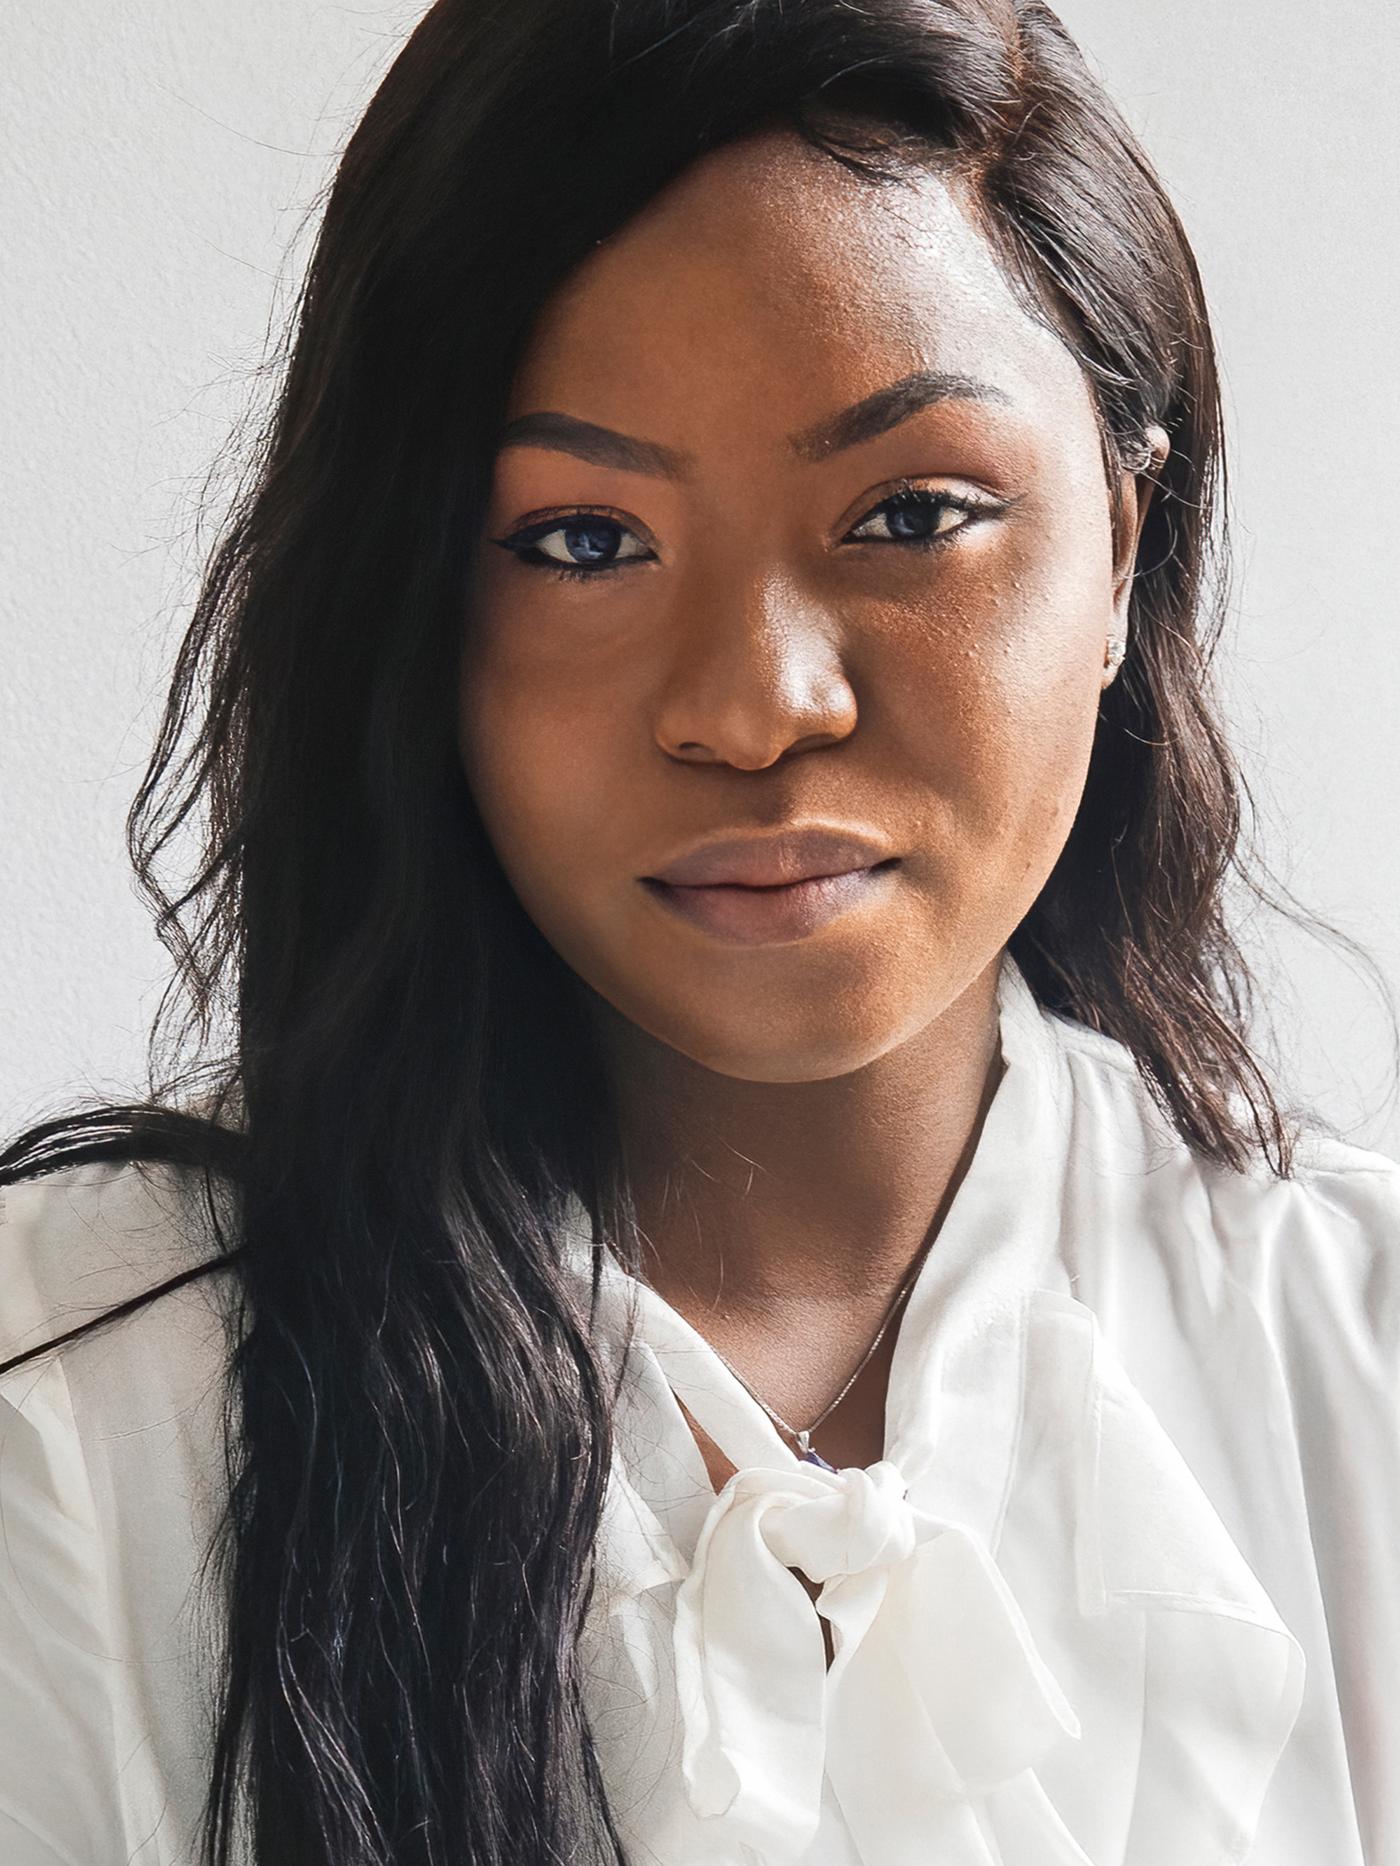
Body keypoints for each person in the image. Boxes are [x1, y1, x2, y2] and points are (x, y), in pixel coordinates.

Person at [2, 1, 1397, 1862]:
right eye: (582, 539)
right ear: (414, 603)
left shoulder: (1360, 1363)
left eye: (911, 514)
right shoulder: (76, 1425)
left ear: (1124, 546)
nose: (755, 703)